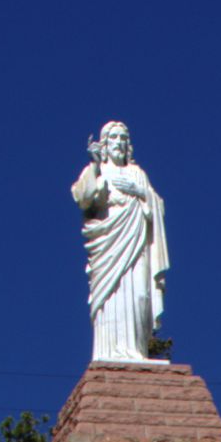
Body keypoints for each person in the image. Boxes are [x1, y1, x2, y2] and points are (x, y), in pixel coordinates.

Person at [70, 119, 170, 363]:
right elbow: (84, 198)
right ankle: (110, 351)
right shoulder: (98, 170)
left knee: (139, 295)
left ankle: (135, 350)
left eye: (123, 138)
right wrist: (94, 167)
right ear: (104, 144)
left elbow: (157, 206)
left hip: (136, 240)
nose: (119, 143)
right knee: (111, 295)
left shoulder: (137, 173)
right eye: (113, 138)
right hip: (109, 242)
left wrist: (140, 192)